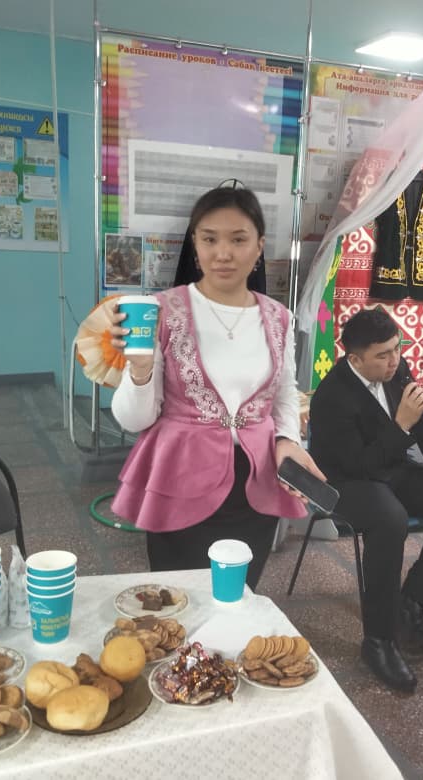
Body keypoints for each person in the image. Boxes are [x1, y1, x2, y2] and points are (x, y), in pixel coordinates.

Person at [109, 186, 323, 589]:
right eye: (209, 239)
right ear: (195, 244)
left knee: (237, 594)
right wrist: (140, 369)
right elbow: (134, 419)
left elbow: (284, 393)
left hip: (256, 482)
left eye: (238, 240)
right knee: (178, 598)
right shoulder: (161, 310)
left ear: (259, 246)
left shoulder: (279, 317)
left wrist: (288, 440)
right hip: (179, 475)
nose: (223, 253)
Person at [309, 308, 423, 693]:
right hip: (346, 481)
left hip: (392, 468)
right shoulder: (331, 397)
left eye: (397, 349)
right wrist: (400, 424)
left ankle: (411, 601)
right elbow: (360, 465)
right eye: (383, 354)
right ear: (355, 360)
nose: (394, 360)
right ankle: (379, 641)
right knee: (390, 520)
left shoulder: (396, 370)